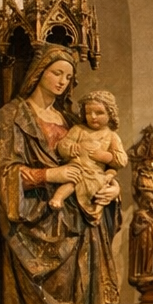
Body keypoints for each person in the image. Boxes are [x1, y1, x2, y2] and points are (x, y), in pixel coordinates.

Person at [0, 45, 136, 304]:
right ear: (39, 71)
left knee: (85, 303)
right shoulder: (13, 116)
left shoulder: (73, 120)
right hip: (36, 230)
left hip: (80, 224)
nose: (62, 81)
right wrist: (48, 174)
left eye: (69, 77)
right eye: (57, 73)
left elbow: (98, 166)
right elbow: (2, 172)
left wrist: (112, 188)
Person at [47, 89, 127, 222]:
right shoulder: (79, 129)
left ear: (110, 114)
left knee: (103, 188)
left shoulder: (111, 136)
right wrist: (69, 148)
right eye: (89, 113)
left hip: (95, 172)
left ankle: (96, 210)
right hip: (78, 166)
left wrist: (106, 157)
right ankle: (58, 198)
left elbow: (122, 160)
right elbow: (63, 144)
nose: (93, 116)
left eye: (99, 112)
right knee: (72, 181)